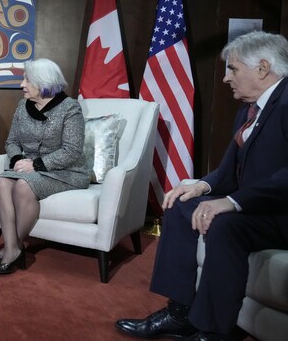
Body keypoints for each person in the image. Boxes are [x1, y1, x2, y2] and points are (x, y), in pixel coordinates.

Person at [116, 31, 288, 341]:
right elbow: (228, 171)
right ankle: (180, 313)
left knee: (225, 225)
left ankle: (213, 331)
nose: (226, 78)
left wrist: (233, 202)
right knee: (180, 205)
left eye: (233, 68)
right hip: (257, 207)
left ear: (262, 68)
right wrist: (202, 187)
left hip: (280, 213)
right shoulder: (249, 110)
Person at [0, 58, 90, 275]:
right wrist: (17, 160)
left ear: (43, 82)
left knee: (23, 186)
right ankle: (13, 248)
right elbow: (12, 141)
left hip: (67, 171)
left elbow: (72, 151)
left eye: (26, 79)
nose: (21, 84)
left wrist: (36, 165)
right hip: (30, 168)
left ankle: (11, 248)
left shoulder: (69, 108)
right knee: (2, 181)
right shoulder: (22, 106)